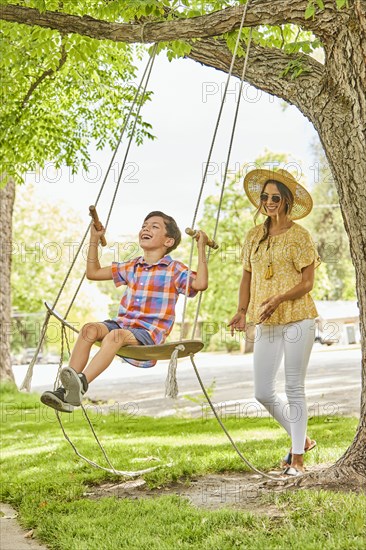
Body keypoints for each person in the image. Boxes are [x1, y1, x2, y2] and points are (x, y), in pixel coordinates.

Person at [41, 211, 209, 413]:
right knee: (88, 330)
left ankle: (82, 383)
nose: (146, 228)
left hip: (148, 333)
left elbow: (200, 284)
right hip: (123, 324)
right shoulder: (132, 266)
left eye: (154, 226)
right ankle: (66, 392)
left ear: (168, 241)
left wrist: (201, 248)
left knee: (115, 336)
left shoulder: (174, 269)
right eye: (144, 225)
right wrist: (94, 239)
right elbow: (93, 273)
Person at [228, 169, 320, 476]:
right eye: (264, 197)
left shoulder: (300, 236)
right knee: (263, 392)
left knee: (294, 387)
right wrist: (242, 311)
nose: (268, 202)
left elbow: (308, 282)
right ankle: (302, 439)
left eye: (275, 197)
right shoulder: (253, 236)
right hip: (265, 320)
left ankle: (297, 461)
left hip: (298, 318)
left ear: (286, 201)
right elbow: (247, 276)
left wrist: (279, 298)